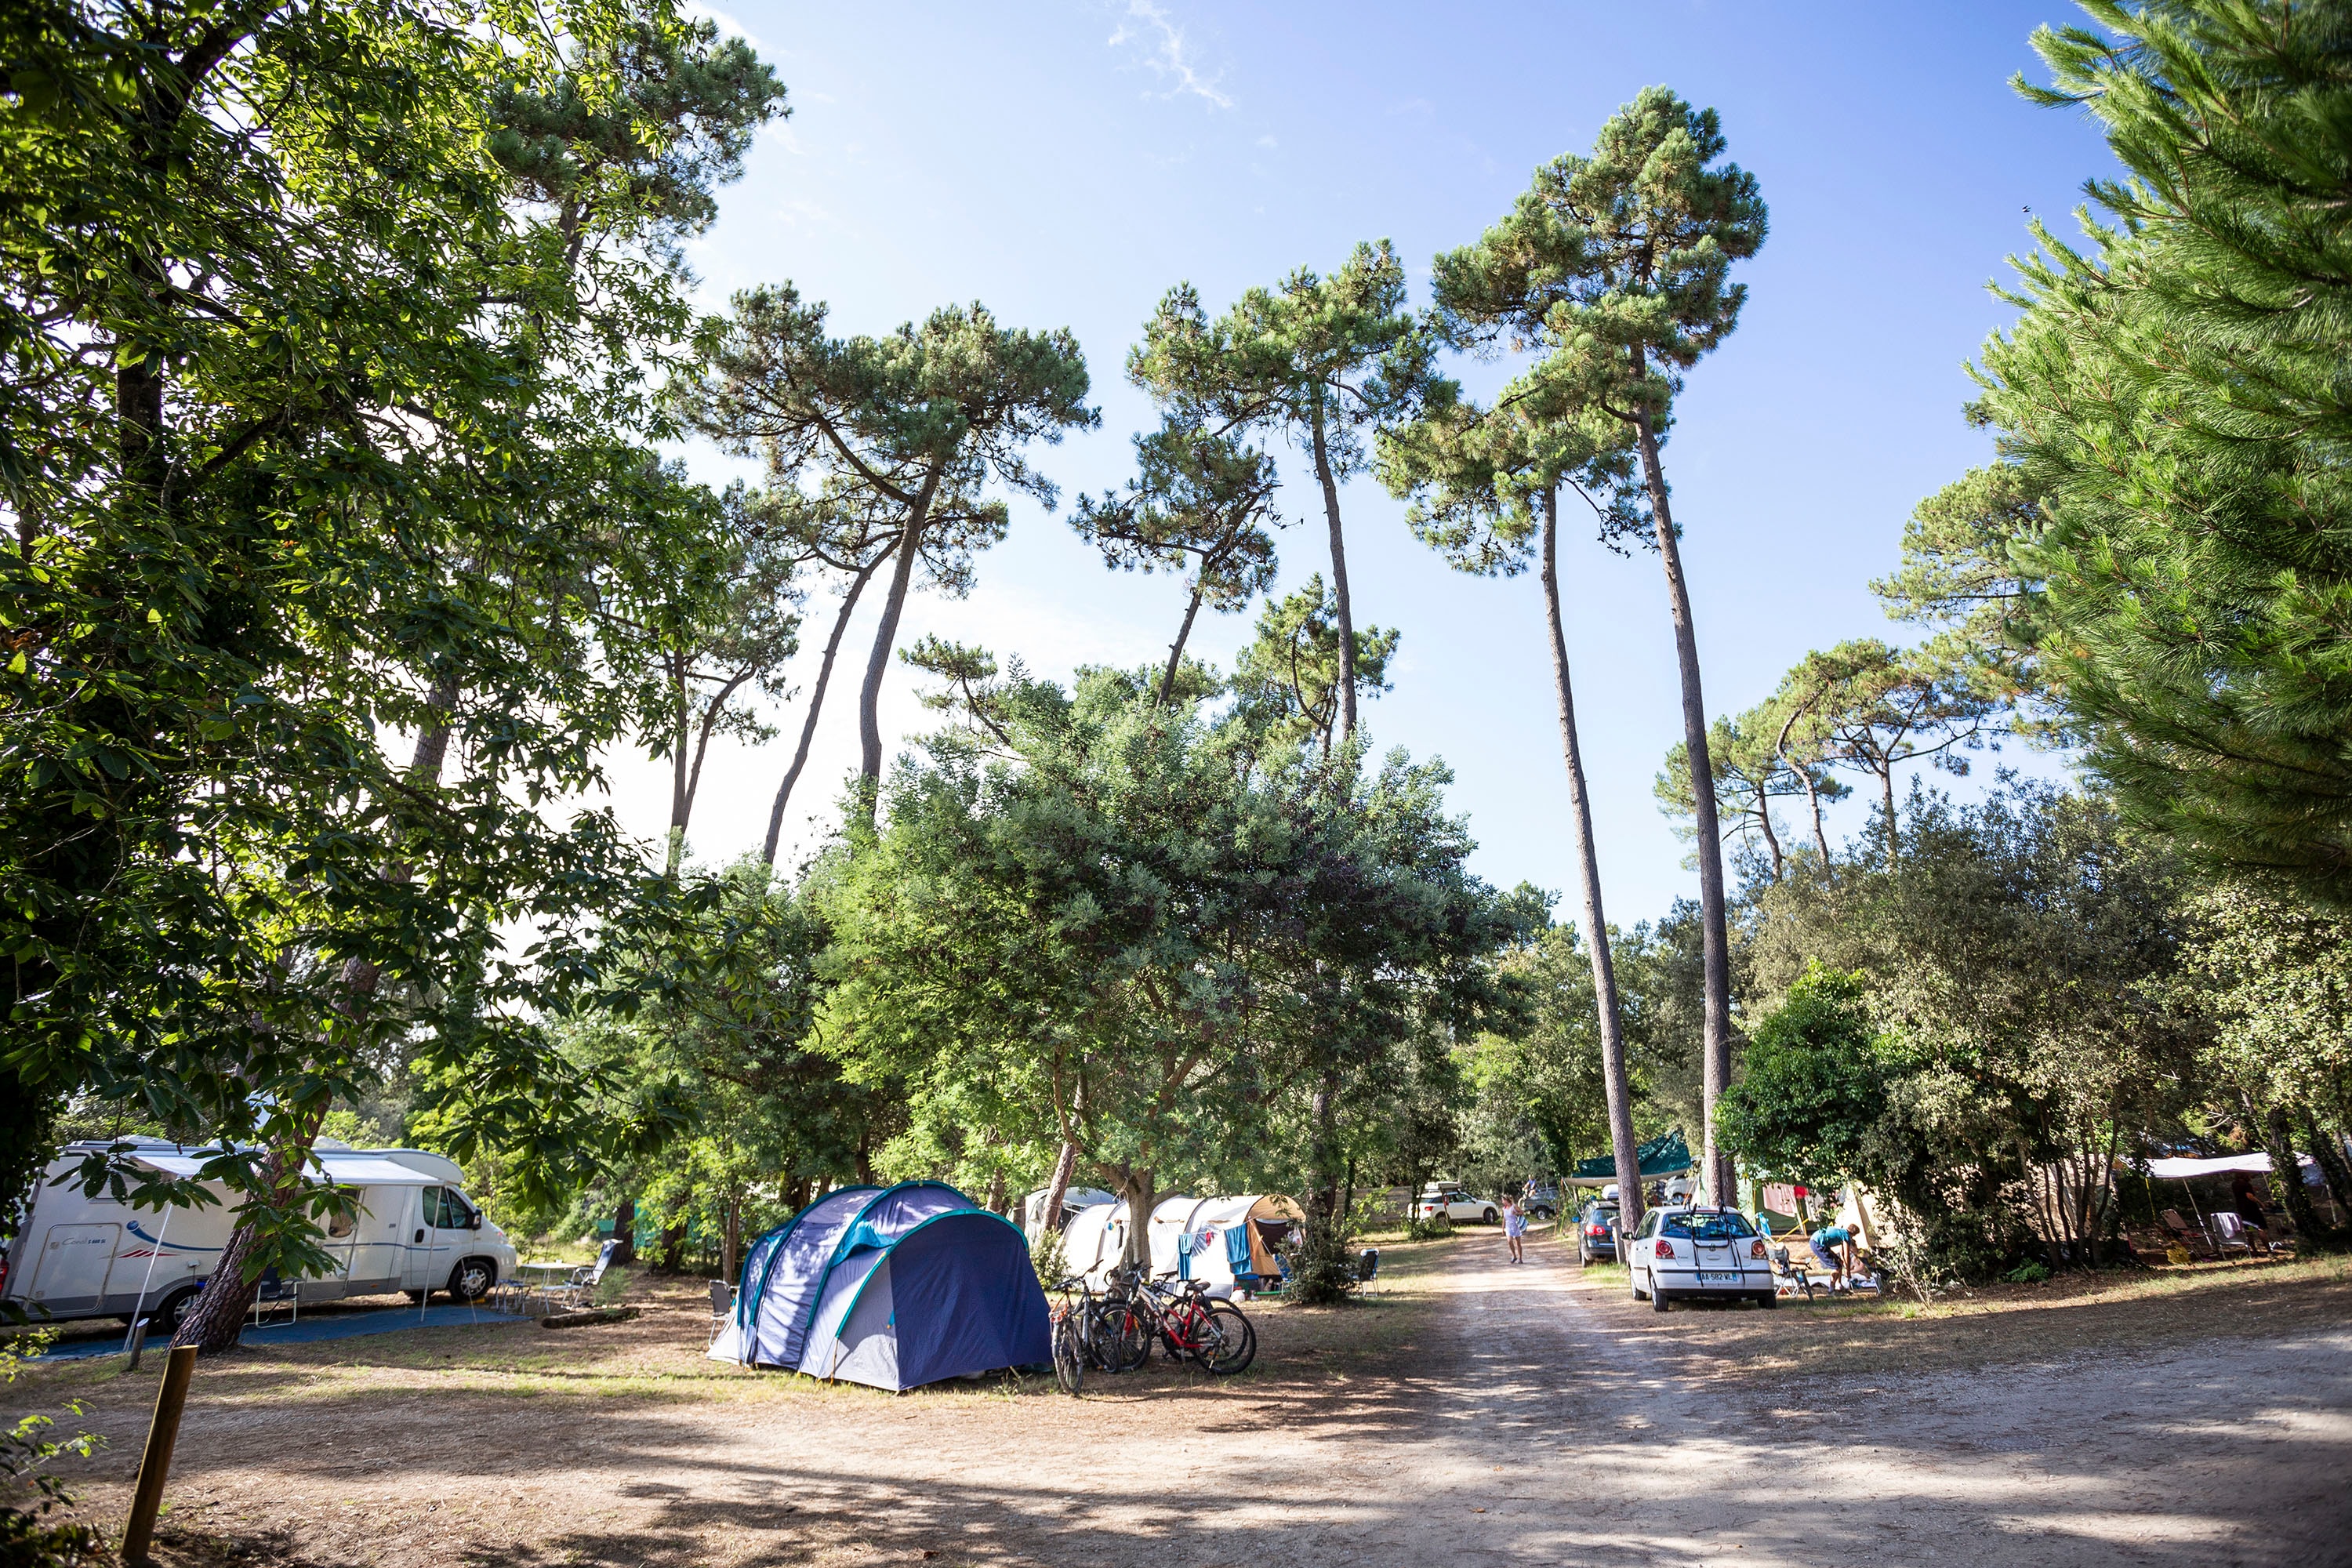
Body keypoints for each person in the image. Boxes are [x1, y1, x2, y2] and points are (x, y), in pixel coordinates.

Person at [1808, 1220, 1856, 1290]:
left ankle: (1838, 1285)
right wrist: (1848, 1271)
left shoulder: (1842, 1232)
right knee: (1837, 1267)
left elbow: (1842, 1253)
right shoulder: (1846, 1236)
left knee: (1839, 1262)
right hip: (1817, 1243)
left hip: (1818, 1241)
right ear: (1853, 1234)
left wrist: (1845, 1266)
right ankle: (1831, 1288)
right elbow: (1847, 1255)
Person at [1500, 1195, 1526, 1264]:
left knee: (1518, 1243)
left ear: (1506, 1200)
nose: (1502, 1202)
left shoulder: (1514, 1206)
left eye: (1503, 1200)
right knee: (1509, 1241)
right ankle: (1514, 1256)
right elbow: (1504, 1219)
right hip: (1508, 1227)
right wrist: (1503, 1229)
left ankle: (1520, 1258)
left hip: (1516, 1226)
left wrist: (1516, 1213)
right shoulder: (1504, 1209)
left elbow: (1522, 1212)